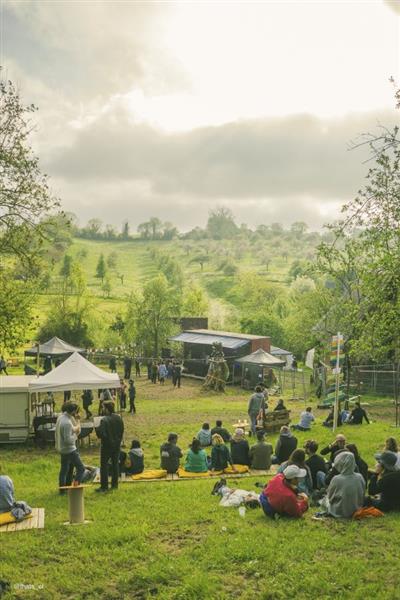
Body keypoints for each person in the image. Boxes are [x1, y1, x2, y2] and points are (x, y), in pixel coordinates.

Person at [322, 452, 365, 518]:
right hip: (357, 510)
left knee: (324, 500)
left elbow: (330, 498)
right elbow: (363, 494)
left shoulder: (336, 479)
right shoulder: (360, 476)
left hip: (339, 512)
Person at [55, 403, 85, 492]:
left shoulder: (61, 417)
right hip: (70, 450)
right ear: (73, 411)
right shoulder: (67, 423)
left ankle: (63, 489)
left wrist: (77, 423)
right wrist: (75, 435)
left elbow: (74, 429)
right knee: (81, 468)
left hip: (62, 449)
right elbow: (68, 440)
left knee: (65, 470)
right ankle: (75, 486)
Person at [96, 401, 124, 492]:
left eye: (104, 408)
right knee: (115, 465)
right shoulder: (119, 418)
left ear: (107, 409)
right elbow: (121, 431)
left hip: (106, 446)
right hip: (116, 445)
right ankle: (114, 485)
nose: (103, 409)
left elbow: (101, 434)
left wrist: (97, 428)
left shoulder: (104, 420)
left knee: (104, 466)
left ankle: (104, 486)